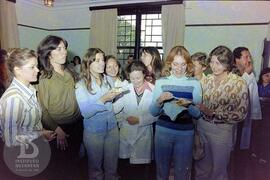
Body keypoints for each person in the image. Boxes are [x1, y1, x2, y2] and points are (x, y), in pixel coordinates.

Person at [195, 46, 249, 180]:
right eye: (212, 62)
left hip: (222, 131)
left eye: (218, 63)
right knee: (201, 169)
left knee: (218, 171)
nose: (214, 66)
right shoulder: (205, 80)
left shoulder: (238, 83)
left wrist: (213, 113)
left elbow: (241, 114)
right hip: (202, 127)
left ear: (227, 63)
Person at [0, 48, 55, 178]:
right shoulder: (14, 98)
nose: (38, 70)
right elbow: (11, 140)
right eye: (32, 67)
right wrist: (39, 134)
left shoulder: (29, 89)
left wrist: (41, 134)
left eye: (37, 66)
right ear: (18, 70)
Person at [150, 46, 202, 180]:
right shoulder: (161, 82)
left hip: (185, 133)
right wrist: (159, 100)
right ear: (169, 64)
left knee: (183, 173)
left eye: (183, 64)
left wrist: (188, 106)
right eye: (175, 64)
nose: (179, 68)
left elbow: (197, 114)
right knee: (162, 171)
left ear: (188, 65)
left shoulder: (195, 83)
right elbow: (153, 112)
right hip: (163, 131)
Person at [36, 35, 83, 179]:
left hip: (77, 125)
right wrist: (57, 129)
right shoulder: (44, 77)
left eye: (65, 48)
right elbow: (42, 109)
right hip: (58, 129)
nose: (65, 52)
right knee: (60, 169)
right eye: (59, 49)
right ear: (48, 53)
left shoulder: (70, 72)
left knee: (74, 165)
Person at [75, 48, 120, 180]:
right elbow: (86, 113)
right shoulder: (81, 85)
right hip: (94, 132)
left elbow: (112, 102)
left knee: (112, 168)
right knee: (95, 169)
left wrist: (116, 96)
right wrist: (103, 99)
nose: (102, 63)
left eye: (103, 60)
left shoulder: (108, 79)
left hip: (112, 128)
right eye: (97, 60)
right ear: (88, 63)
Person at [113, 61, 157, 179]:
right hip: (126, 132)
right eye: (132, 78)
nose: (135, 81)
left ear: (144, 74)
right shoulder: (125, 88)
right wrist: (114, 95)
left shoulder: (154, 90)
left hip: (144, 133)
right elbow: (116, 109)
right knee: (125, 167)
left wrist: (140, 120)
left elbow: (157, 113)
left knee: (140, 170)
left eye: (138, 77)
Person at [233, 47, 262, 150]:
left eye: (249, 57)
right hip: (234, 116)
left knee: (243, 144)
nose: (249, 60)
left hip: (246, 117)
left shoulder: (250, 73)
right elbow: (236, 91)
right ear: (237, 59)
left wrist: (255, 115)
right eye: (246, 57)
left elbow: (254, 95)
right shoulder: (231, 73)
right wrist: (247, 74)